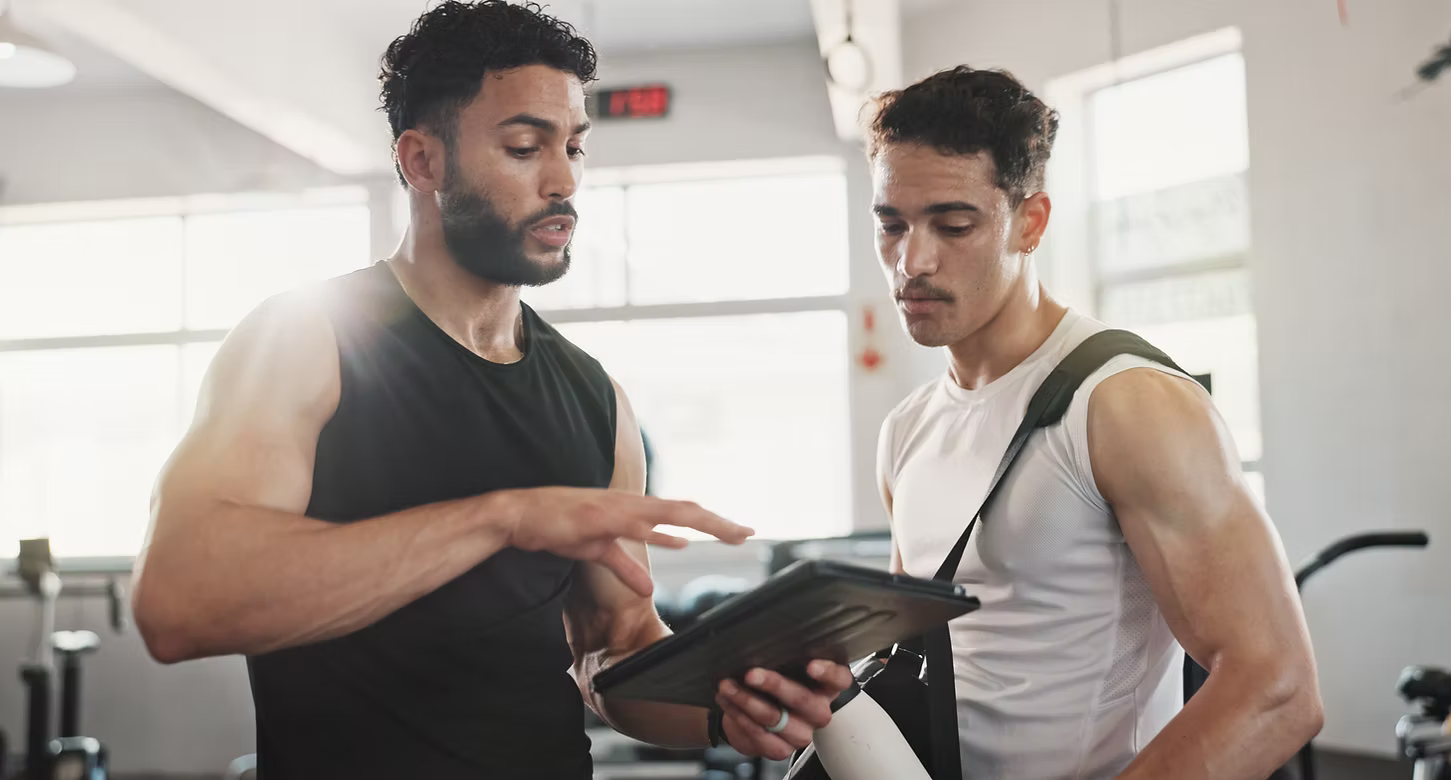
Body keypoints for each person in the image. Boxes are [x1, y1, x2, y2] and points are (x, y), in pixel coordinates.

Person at [130, 2, 851, 777]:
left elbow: (614, 648)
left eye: (574, 147)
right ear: (422, 162)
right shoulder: (308, 338)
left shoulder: (593, 396)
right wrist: (506, 519)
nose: (564, 178)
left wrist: (723, 705)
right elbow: (179, 604)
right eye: (523, 147)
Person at [869, 66, 1324, 779]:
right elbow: (922, 668)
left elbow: (1276, 689)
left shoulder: (1125, 403)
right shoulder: (908, 430)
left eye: (953, 225)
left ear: (1031, 222)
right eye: (891, 225)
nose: (912, 261)